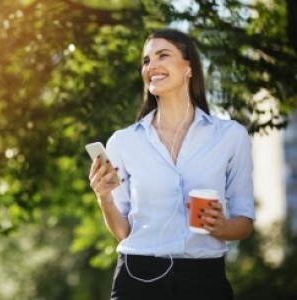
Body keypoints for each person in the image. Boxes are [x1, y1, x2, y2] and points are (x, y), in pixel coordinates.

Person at [88, 28, 255, 300]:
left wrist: (221, 227)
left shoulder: (231, 137)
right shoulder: (123, 142)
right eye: (146, 61)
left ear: (189, 67)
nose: (151, 65)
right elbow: (124, 232)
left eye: (162, 56)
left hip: (204, 279)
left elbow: (244, 221)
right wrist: (104, 197)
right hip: (138, 276)